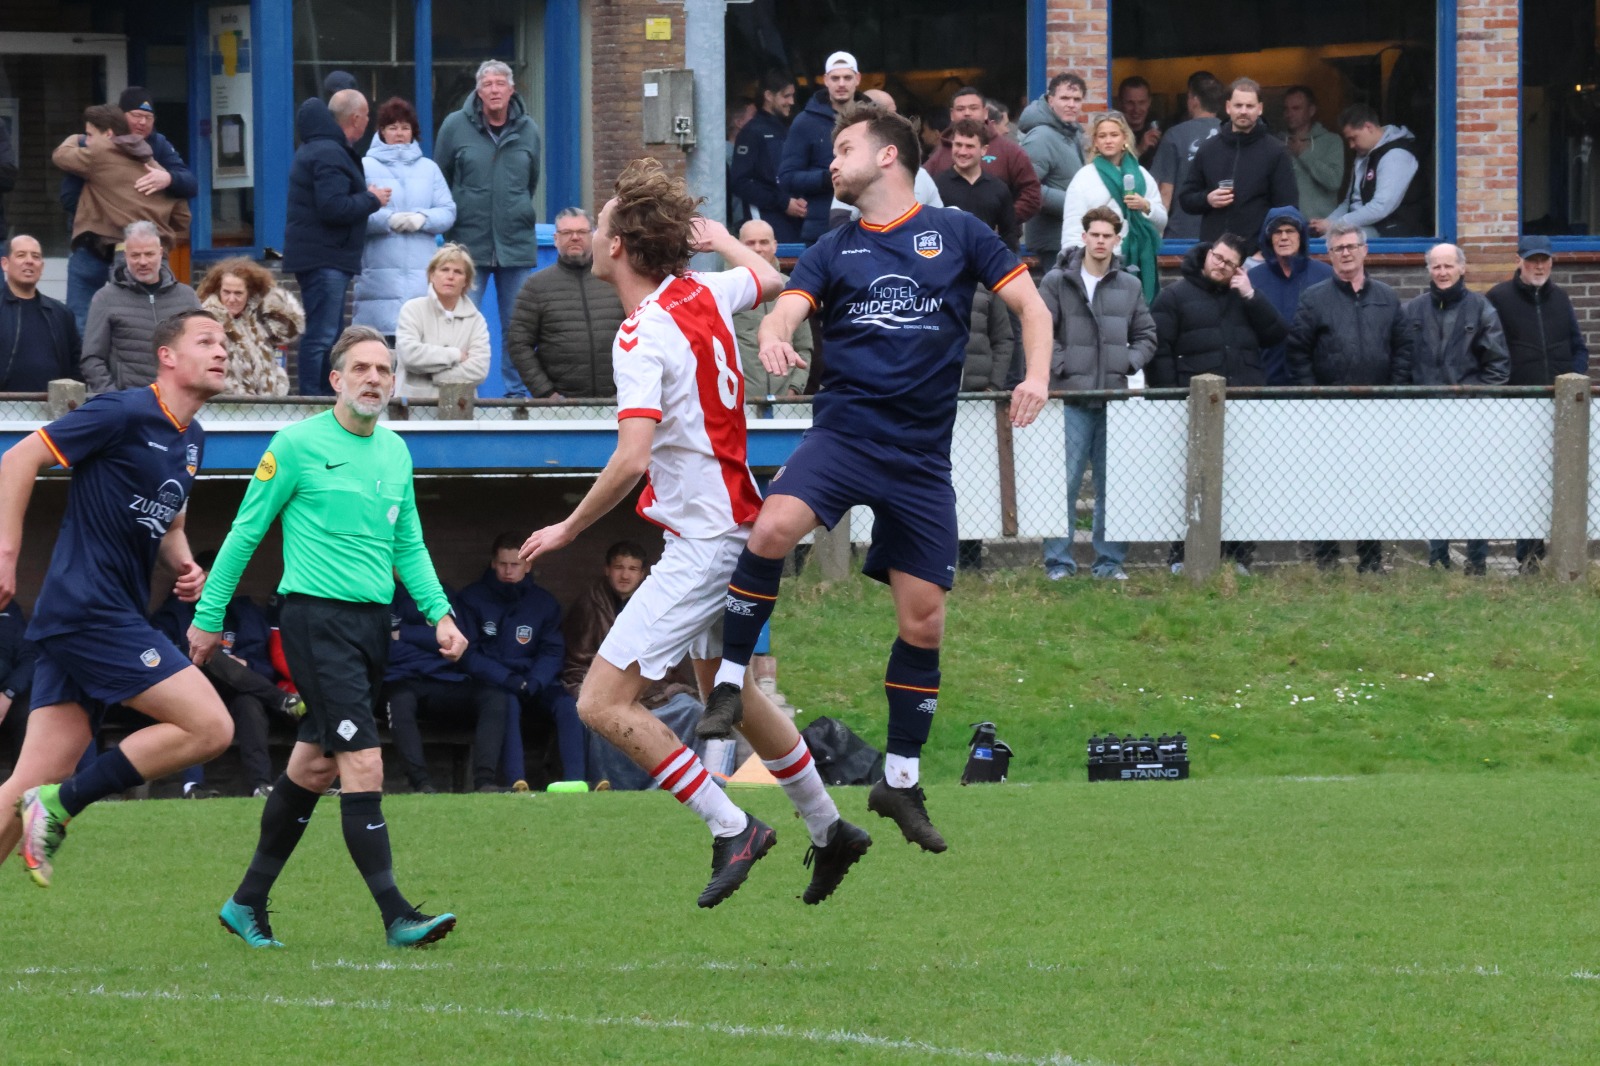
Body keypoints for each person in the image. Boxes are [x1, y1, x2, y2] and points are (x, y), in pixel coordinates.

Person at [522, 158, 877, 908]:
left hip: (705, 545)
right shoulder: (705, 293)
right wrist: (723, 241)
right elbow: (774, 280)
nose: (598, 222)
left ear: (617, 246)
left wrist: (566, 527)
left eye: (607, 215)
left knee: (599, 704)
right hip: (740, 531)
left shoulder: (641, 334)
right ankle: (828, 827)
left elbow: (632, 456)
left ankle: (731, 825)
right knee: (734, 691)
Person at [701, 105, 1050, 853]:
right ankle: (730, 680)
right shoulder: (834, 247)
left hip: (921, 459)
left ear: (889, 156)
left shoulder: (957, 232)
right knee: (770, 529)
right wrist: (772, 336)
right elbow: (786, 308)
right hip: (846, 434)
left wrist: (1039, 375)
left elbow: (1030, 304)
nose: (832, 160)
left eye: (844, 147)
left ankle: (898, 778)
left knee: (923, 621)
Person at [192, 325, 466, 949]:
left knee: (314, 767)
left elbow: (409, 544)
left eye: (384, 369)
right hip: (316, 622)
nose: (374, 377)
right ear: (336, 380)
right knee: (363, 761)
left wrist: (440, 614)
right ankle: (397, 914)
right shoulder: (294, 444)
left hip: (373, 627)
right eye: (362, 368)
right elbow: (243, 534)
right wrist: (209, 616)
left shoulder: (395, 452)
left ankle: (246, 902)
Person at [0, 309, 231, 887]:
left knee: (23, 784)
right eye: (205, 341)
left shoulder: (193, 439)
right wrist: (5, 553)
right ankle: (63, 803)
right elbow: (18, 458)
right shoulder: (124, 410)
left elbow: (170, 521)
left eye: (225, 342)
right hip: (89, 611)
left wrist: (185, 564)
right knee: (209, 727)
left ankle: (47, 800)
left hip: (101, 616)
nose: (221, 350)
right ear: (168, 356)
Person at [1149, 232, 1288, 575]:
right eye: (1218, 257)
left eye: (1230, 264)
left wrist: (1251, 295)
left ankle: (1238, 556)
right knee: (1188, 482)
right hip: (1192, 407)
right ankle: (1181, 556)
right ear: (1208, 253)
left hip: (1243, 405)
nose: (1221, 266)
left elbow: (1276, 334)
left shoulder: (1244, 298)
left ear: (1239, 269)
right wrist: (1172, 395)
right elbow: (1158, 350)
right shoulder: (1174, 296)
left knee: (1241, 482)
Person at [1285, 220, 1413, 572]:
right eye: (1337, 248)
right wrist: (1316, 396)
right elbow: (1298, 352)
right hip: (1329, 411)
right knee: (1328, 485)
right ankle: (1327, 559)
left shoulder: (1386, 297)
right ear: (1329, 255)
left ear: (1364, 250)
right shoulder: (1314, 299)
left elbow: (1403, 347)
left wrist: (1393, 391)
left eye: (1351, 247)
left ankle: (1370, 560)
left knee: (1371, 485)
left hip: (1377, 410)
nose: (1345, 254)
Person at [1040, 206, 1157, 580]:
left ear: (1116, 239)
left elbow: (1147, 335)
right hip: (1069, 398)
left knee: (1114, 485)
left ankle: (1109, 563)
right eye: (1096, 234)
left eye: (1109, 235)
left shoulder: (1131, 285)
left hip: (1114, 400)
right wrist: (1063, 365)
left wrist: (1126, 362)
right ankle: (1058, 563)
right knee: (1064, 484)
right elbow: (1043, 331)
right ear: (1084, 236)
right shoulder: (1057, 281)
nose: (1101, 241)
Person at [435, 60, 543, 397]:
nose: (494, 90)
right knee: (460, 324)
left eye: (500, 83)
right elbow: (442, 178)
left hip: (516, 243)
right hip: (467, 246)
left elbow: (531, 182)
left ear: (512, 90)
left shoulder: (529, 130)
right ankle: (460, 393)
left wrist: (516, 209)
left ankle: (516, 396)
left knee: (518, 329)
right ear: (478, 91)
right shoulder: (455, 126)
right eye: (487, 84)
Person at [1402, 244, 1510, 574]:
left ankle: (1477, 562)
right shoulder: (1412, 311)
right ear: (1428, 270)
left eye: (1449, 266)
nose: (1443, 272)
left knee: (1475, 489)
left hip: (1470, 419)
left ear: (1462, 269)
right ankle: (1438, 560)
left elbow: (1498, 366)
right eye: (1436, 266)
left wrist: (1475, 406)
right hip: (1426, 416)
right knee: (1434, 488)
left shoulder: (1481, 309)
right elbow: (1402, 363)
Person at [1486, 235, 1592, 571]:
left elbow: (1578, 345)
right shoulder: (1499, 298)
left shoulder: (1560, 299)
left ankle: (1557, 552)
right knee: (1522, 481)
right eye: (1532, 260)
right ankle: (1527, 556)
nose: (1539, 266)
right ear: (1519, 260)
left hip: (1559, 407)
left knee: (1557, 476)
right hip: (1517, 404)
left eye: (1544, 260)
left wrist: (1573, 379)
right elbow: (1489, 347)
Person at [57, 89, 196, 334]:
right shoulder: (143, 156)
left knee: (99, 320)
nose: (142, 122)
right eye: (136, 115)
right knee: (140, 321)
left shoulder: (157, 148)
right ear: (120, 118)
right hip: (95, 248)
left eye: (148, 117)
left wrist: (168, 179)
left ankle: (88, 370)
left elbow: (189, 184)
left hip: (127, 250)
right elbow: (69, 197)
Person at [456, 533, 586, 787]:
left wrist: (536, 681)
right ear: (493, 563)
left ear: (528, 565)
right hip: (496, 682)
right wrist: (508, 679)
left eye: (515, 565)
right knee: (507, 704)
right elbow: (468, 653)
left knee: (567, 706)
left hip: (535, 681)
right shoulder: (472, 598)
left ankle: (576, 781)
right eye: (502, 564)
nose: (508, 570)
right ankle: (517, 782)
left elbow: (552, 650)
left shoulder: (544, 603)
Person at [284, 89, 387, 396]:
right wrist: (371, 199)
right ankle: (314, 399)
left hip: (323, 256)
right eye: (368, 116)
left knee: (328, 333)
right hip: (325, 258)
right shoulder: (330, 152)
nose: (368, 122)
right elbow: (333, 207)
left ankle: (322, 395)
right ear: (356, 117)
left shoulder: (318, 149)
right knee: (323, 334)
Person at [384, 581, 507, 793]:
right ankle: (421, 784)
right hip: (399, 679)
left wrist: (403, 634)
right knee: (400, 700)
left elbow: (460, 641)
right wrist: (432, 643)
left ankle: (484, 782)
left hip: (446, 677)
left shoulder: (440, 592)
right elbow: (385, 648)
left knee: (494, 697)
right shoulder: (381, 594)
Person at [353, 97, 457, 341]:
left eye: (405, 127)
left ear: (414, 132)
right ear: (381, 131)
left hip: (422, 278)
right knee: (379, 352)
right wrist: (388, 220)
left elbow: (448, 211)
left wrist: (422, 219)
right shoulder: (364, 167)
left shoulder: (429, 168)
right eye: (392, 127)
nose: (399, 133)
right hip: (377, 278)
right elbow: (354, 212)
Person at [506, 207, 627, 399]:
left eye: (581, 232)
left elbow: (642, 333)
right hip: (560, 409)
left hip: (619, 403)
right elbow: (518, 344)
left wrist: (626, 390)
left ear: (593, 236)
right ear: (555, 239)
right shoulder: (536, 287)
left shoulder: (616, 280)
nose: (575, 237)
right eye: (567, 233)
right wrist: (546, 393)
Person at [1178, 78, 1298, 255]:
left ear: (1260, 109)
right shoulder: (1208, 149)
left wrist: (1265, 252)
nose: (1243, 111)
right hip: (1214, 255)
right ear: (1228, 107)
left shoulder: (1276, 151)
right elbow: (1186, 198)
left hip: (1256, 256)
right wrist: (1207, 199)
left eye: (1249, 106)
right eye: (1238, 105)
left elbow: (1287, 211)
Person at [81, 221, 201, 393]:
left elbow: (201, 350)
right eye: (135, 255)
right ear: (125, 256)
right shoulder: (105, 298)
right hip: (128, 406)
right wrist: (115, 399)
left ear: (161, 253)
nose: (143, 262)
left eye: (149, 254)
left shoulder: (187, 297)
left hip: (179, 403)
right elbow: (92, 359)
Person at [1060, 111, 1166, 304]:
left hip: (1140, 261)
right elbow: (1073, 228)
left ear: (1124, 138)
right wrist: (1077, 266)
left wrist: (1146, 206)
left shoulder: (1142, 175)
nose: (1108, 140)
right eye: (1102, 136)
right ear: (1096, 142)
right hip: (1099, 265)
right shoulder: (1084, 178)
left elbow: (1161, 221)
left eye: (1114, 135)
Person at [780, 51, 866, 244]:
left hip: (870, 221)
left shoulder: (873, 119)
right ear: (826, 80)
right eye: (835, 78)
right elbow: (787, 177)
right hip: (822, 227)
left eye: (847, 77)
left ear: (857, 79)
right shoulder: (805, 122)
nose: (841, 84)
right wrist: (828, 178)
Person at [826, 89, 944, 229]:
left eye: (847, 151)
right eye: (887, 114)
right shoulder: (830, 246)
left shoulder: (961, 227)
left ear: (888, 155)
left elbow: (940, 228)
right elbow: (838, 221)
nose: (833, 165)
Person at [924, 87, 1041, 226]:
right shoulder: (938, 155)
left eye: (973, 108)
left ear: (985, 112)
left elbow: (1032, 194)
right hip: (952, 242)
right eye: (960, 109)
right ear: (952, 114)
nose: (967, 113)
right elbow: (920, 193)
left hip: (999, 242)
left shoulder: (1009, 151)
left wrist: (1005, 220)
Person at [1312, 105, 1428, 239]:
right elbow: (1349, 201)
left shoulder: (1396, 155)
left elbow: (1381, 207)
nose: (1351, 145)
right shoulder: (1364, 155)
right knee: (1319, 245)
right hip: (1363, 229)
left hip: (1390, 234)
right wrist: (1328, 223)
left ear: (1368, 127)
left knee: (1327, 247)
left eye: (1353, 138)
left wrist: (1336, 225)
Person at [1246, 207, 1333, 385]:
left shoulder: (1326, 275)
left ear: (1301, 236)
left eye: (1290, 231)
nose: (1284, 237)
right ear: (1269, 238)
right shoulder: (1252, 278)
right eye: (1277, 232)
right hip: (1266, 382)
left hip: (1315, 383)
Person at [394, 243, 491, 401]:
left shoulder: (476, 319)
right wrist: (456, 355)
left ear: (466, 280)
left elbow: (479, 369)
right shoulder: (412, 309)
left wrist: (437, 376)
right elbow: (409, 355)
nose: (450, 276)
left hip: (460, 408)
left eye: (458, 272)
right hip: (413, 408)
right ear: (432, 275)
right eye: (444, 269)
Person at [196, 257, 305, 396]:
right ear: (218, 291)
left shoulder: (257, 320)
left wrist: (271, 297)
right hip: (226, 406)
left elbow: (290, 328)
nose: (231, 299)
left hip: (267, 405)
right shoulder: (205, 320)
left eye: (238, 293)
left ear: (249, 294)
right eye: (226, 292)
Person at [733, 219, 812, 399]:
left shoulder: (793, 288)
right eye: (750, 243)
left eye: (764, 242)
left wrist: (794, 388)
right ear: (739, 246)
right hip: (739, 403)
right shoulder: (725, 291)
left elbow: (804, 347)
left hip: (786, 402)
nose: (758, 248)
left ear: (775, 246)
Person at [1017, 73, 1088, 273]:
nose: (1071, 104)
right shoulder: (1041, 136)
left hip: (1069, 236)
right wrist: (1074, 202)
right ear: (1050, 100)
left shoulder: (1069, 132)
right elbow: (1026, 188)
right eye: (1065, 98)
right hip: (1053, 242)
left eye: (1077, 99)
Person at [731, 70, 806, 244]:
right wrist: (783, 202)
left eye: (792, 96)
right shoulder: (751, 132)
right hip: (765, 223)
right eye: (786, 96)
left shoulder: (787, 128)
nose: (791, 102)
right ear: (769, 96)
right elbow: (741, 182)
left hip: (794, 221)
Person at [1, 236, 81, 391]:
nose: (29, 261)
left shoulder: (62, 314)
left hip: (52, 409)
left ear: (42, 267)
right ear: (5, 264)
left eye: (35, 256)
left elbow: (76, 367)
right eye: (21, 255)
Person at [1152, 72, 1224, 241]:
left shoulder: (1175, 135)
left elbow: (1164, 192)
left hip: (1181, 234)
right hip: (1222, 236)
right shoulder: (1231, 134)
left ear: (1195, 100)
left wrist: (1157, 238)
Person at [935, 120, 1020, 251]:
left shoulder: (998, 188)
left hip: (986, 265)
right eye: (958, 145)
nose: (962, 152)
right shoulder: (937, 185)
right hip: (948, 266)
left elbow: (1009, 234)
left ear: (984, 150)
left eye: (969, 146)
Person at [1279, 86, 1343, 222]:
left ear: (1311, 111)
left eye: (1296, 108)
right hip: (1286, 227)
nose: (1289, 114)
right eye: (1286, 109)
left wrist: (1303, 153)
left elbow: (1333, 181)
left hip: (1320, 226)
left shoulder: (1331, 141)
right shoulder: (1276, 143)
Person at [1117, 76, 1163, 167]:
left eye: (1141, 102)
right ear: (1120, 102)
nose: (1136, 109)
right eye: (1130, 103)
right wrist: (1139, 149)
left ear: (1149, 102)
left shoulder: (1161, 130)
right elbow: (1113, 169)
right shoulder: (1113, 133)